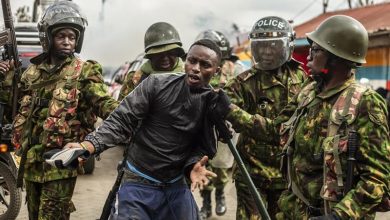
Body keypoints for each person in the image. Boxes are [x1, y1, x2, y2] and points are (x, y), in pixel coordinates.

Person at [64, 39, 228, 220]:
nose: (196, 68)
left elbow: (205, 146)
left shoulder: (214, 103)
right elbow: (121, 120)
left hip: (175, 185)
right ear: (186, 60)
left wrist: (194, 165)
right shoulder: (156, 84)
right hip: (138, 182)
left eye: (205, 65)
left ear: (216, 71)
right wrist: (89, 145)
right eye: (192, 61)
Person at [9, 2, 118, 219]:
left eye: (72, 37)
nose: (67, 42)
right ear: (48, 38)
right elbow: (12, 105)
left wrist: (132, 116)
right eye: (61, 36)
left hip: (60, 163)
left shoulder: (83, 71)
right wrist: (5, 76)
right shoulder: (32, 72)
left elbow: (104, 103)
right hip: (31, 163)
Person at [223, 16, 307, 219]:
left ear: (287, 46)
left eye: (273, 45)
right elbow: (221, 109)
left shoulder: (302, 78)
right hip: (252, 172)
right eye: (262, 47)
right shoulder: (242, 83)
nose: (267, 52)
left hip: (288, 174)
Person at [194, 29, 244, 219]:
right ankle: (206, 202)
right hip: (202, 125)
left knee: (222, 169)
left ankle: (221, 195)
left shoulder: (234, 69)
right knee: (203, 166)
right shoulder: (198, 67)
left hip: (225, 126)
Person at [118, 22, 185, 101]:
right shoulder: (135, 80)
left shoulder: (188, 77)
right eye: (159, 54)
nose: (165, 58)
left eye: (170, 53)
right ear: (150, 57)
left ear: (177, 53)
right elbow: (122, 110)